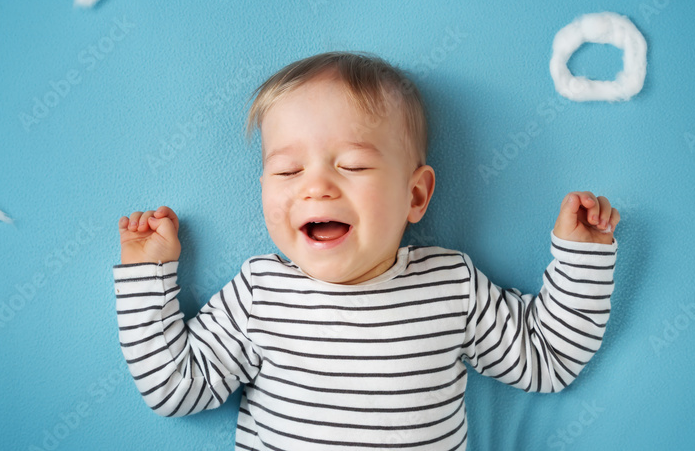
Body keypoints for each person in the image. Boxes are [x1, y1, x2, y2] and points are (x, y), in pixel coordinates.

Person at [113, 51, 619, 450]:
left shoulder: (450, 288)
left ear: (415, 195)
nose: (315, 188)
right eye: (288, 171)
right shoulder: (260, 294)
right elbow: (174, 388)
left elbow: (547, 359)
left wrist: (583, 259)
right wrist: (146, 272)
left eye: (352, 165)